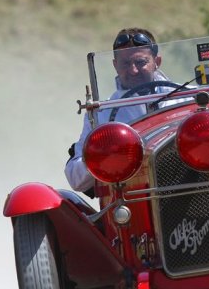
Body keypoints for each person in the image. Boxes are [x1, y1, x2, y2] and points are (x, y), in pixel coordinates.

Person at [65, 27, 173, 193]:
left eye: (141, 62)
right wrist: (103, 153)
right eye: (125, 63)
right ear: (115, 65)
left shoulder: (190, 98)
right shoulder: (102, 112)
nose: (133, 70)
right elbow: (75, 179)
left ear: (157, 62)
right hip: (130, 202)